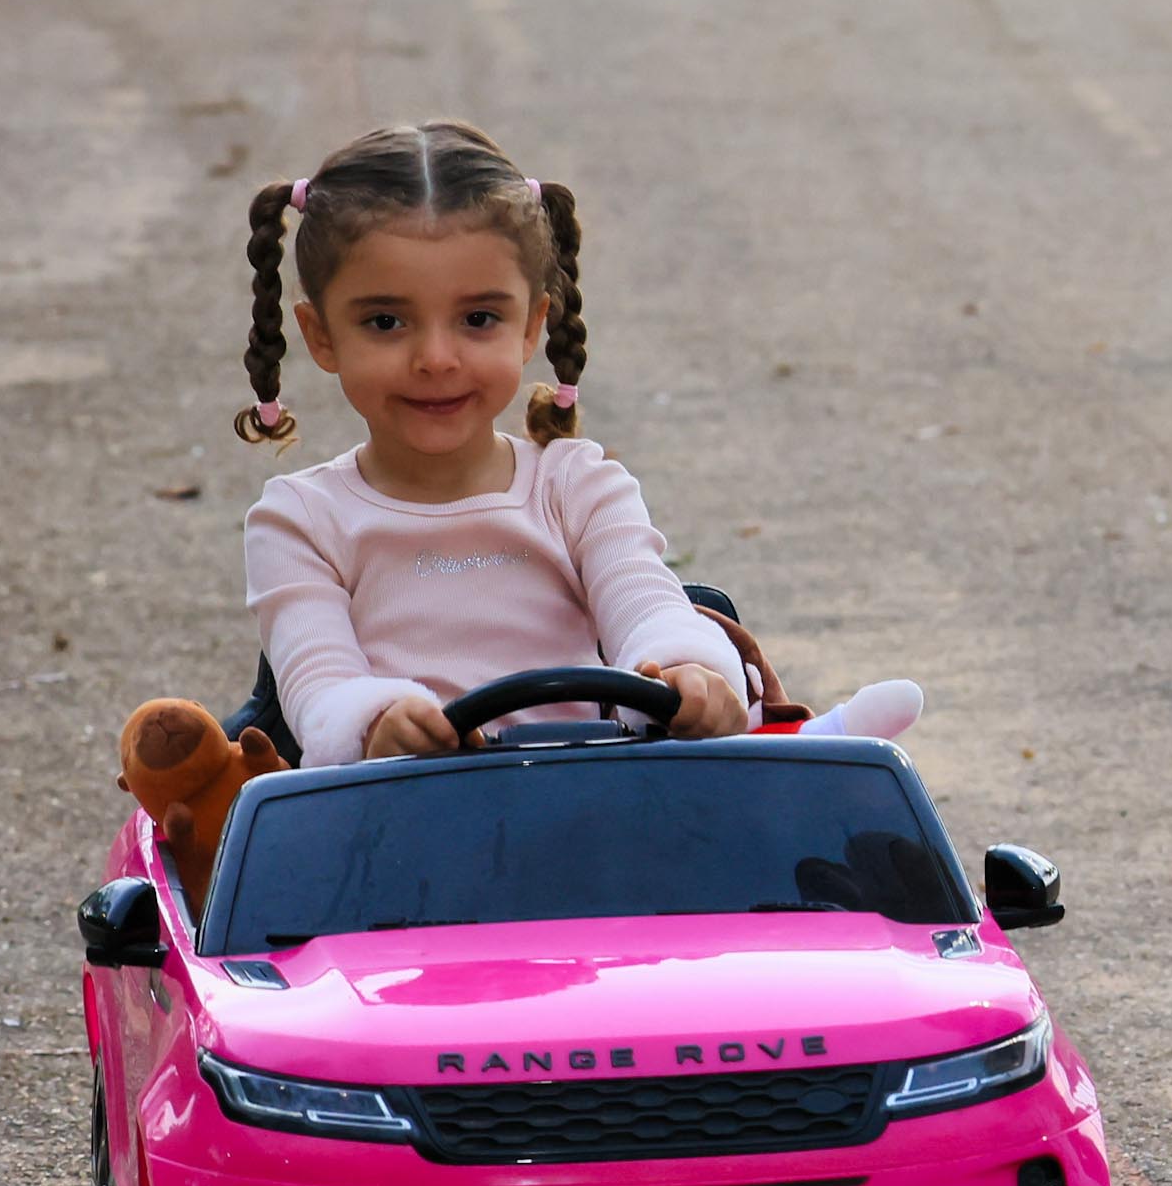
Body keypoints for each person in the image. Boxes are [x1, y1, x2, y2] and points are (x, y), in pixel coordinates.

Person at [112, 121, 768, 887]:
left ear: (531, 326)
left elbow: (645, 605)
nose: (435, 357)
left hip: (607, 833)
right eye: (385, 322)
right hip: (396, 856)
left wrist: (690, 672)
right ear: (320, 336)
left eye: (478, 318)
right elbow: (320, 686)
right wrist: (376, 720)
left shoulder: (578, 484)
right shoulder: (299, 519)